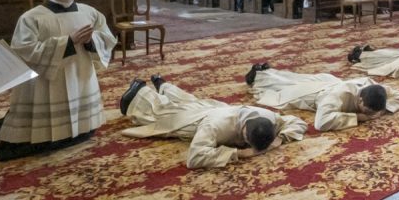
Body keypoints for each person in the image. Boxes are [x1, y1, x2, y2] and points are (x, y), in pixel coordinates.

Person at [0, 0, 117, 159]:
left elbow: (107, 39)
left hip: (80, 76)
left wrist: (92, 40)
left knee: (82, 128)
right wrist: (68, 42)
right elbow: (24, 50)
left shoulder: (89, 12)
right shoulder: (32, 18)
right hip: (44, 85)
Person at [118, 76, 306, 168]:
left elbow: (297, 122)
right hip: (199, 120)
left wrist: (279, 139)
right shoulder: (215, 126)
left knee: (190, 101)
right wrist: (237, 154)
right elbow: (195, 158)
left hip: (216, 107)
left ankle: (164, 86)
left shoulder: (268, 116)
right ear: (244, 135)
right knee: (165, 114)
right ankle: (140, 92)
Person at [246, 67, 399, 131]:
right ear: (360, 101)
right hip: (313, 95)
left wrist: (384, 110)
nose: (371, 115)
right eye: (368, 111)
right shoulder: (338, 97)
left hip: (330, 81)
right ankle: (258, 76)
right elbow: (320, 123)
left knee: (296, 78)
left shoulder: (374, 87)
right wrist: (358, 117)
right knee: (279, 90)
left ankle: (266, 71)